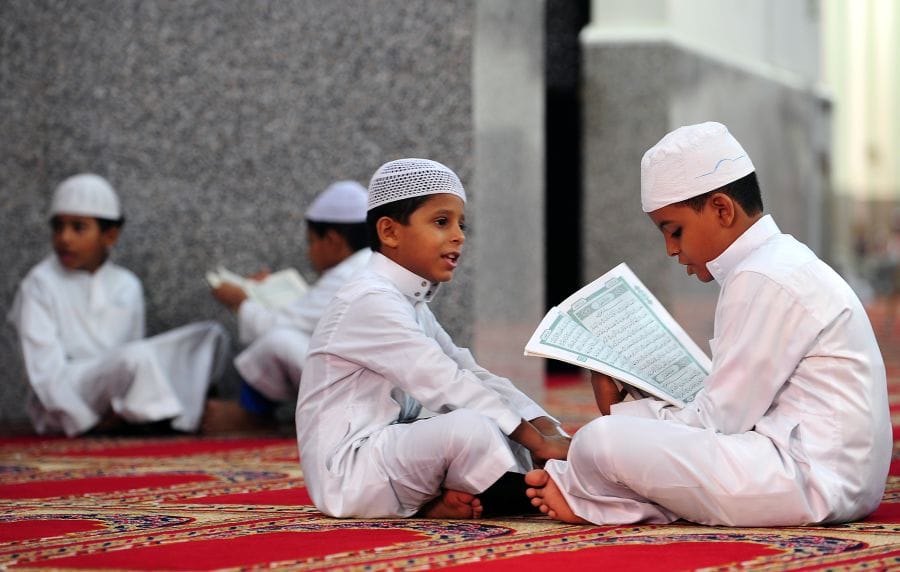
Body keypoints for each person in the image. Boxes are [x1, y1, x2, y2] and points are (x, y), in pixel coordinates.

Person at [525, 122, 892, 526]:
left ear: (721, 209)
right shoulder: (777, 262)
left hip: (809, 478)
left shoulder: (762, 277)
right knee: (613, 439)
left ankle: (602, 498)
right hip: (833, 475)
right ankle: (627, 500)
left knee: (599, 442)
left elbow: (720, 422)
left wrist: (617, 413)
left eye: (674, 230)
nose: (670, 249)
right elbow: (728, 414)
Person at [295, 158, 570, 519]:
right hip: (349, 472)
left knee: (495, 421)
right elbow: (443, 380)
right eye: (442, 222)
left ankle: (447, 501)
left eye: (461, 224)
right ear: (390, 232)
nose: (458, 235)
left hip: (389, 450)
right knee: (471, 428)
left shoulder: (409, 302)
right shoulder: (368, 299)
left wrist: (545, 425)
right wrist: (536, 441)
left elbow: (470, 372)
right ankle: (550, 493)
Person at [7, 173, 229, 437]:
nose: (64, 238)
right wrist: (85, 421)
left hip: (119, 378)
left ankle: (151, 411)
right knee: (135, 358)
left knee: (208, 336)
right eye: (58, 227)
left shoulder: (126, 283)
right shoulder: (39, 284)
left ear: (109, 235)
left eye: (78, 227)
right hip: (68, 395)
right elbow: (43, 372)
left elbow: (131, 349)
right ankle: (167, 416)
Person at [206, 181, 371, 430]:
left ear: (333, 240)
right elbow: (310, 318)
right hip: (375, 387)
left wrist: (241, 301)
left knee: (278, 340)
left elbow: (279, 326)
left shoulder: (349, 276)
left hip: (363, 393)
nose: (309, 253)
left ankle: (250, 415)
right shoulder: (368, 265)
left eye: (311, 242)